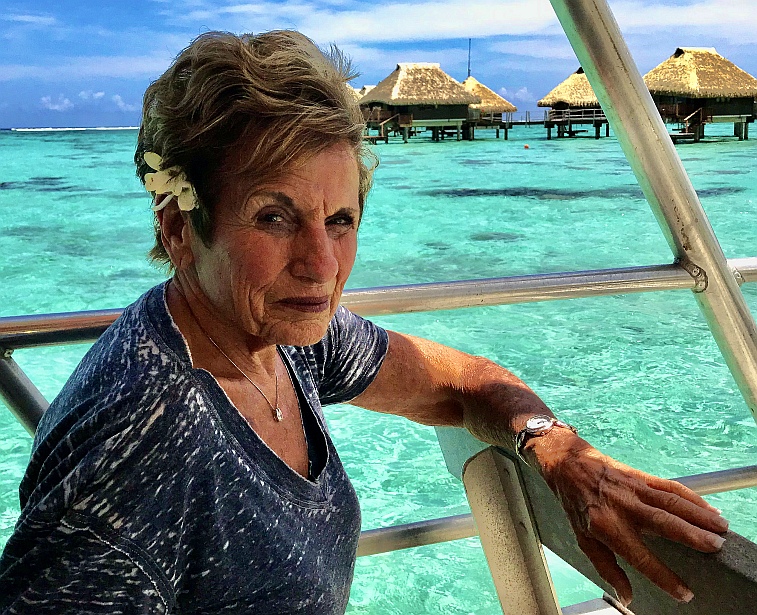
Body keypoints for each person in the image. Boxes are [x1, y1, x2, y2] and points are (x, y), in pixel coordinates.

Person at [0, 30, 727, 614]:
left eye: (340, 220)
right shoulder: (134, 449)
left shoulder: (282, 338)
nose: (321, 265)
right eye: (274, 217)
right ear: (180, 227)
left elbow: (460, 383)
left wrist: (555, 446)